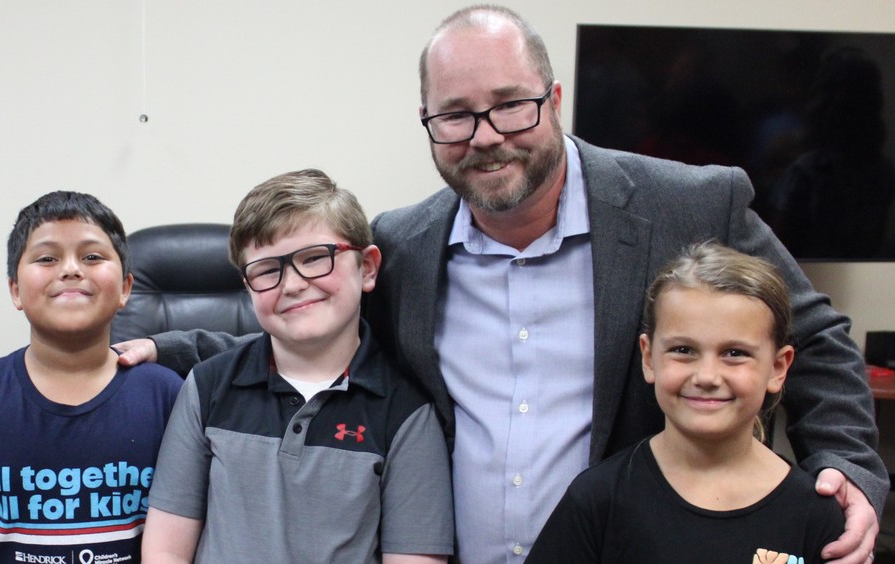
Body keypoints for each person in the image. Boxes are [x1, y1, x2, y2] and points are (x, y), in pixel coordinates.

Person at [115, 6, 887, 563]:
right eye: (455, 116)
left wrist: (846, 469)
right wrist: (174, 344)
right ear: (427, 124)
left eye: (510, 106)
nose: (485, 136)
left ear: (554, 101)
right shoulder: (405, 243)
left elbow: (812, 338)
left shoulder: (683, 205)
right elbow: (315, 323)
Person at [139, 169, 453, 563]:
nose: (292, 284)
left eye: (316, 258)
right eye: (268, 270)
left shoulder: (407, 414)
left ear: (367, 268)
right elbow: (165, 550)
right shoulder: (206, 388)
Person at [0, 191, 184, 563]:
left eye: (92, 256)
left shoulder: (169, 396)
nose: (71, 269)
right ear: (15, 290)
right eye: (47, 258)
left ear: (126, 289)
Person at [525, 242, 845, 563]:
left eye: (735, 353)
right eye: (683, 350)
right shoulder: (597, 499)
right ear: (649, 358)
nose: (706, 376)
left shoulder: (816, 514)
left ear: (778, 368)